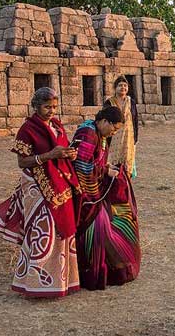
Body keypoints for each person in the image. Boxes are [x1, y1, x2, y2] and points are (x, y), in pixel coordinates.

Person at [0, 87, 81, 298]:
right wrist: (48, 155)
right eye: (47, 107)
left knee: (61, 232)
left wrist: (69, 155)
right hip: (38, 187)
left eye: (54, 107)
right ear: (36, 107)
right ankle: (37, 283)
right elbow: (22, 162)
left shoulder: (57, 126)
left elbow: (61, 151)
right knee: (43, 232)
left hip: (60, 185)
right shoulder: (27, 129)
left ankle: (62, 280)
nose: (51, 111)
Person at [71, 106, 142, 290]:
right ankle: (95, 272)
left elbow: (94, 161)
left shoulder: (100, 136)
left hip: (93, 193)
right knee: (100, 230)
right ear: (104, 121)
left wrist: (106, 165)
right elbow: (81, 166)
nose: (114, 132)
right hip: (85, 196)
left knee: (105, 227)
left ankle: (110, 268)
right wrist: (105, 171)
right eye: (114, 128)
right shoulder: (88, 133)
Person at [103, 76, 139, 180]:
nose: (123, 87)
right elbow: (104, 121)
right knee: (111, 162)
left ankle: (126, 184)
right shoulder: (109, 103)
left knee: (127, 164)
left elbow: (135, 120)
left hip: (128, 138)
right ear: (115, 88)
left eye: (125, 85)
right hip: (112, 138)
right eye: (120, 85)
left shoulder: (131, 102)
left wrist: (135, 139)